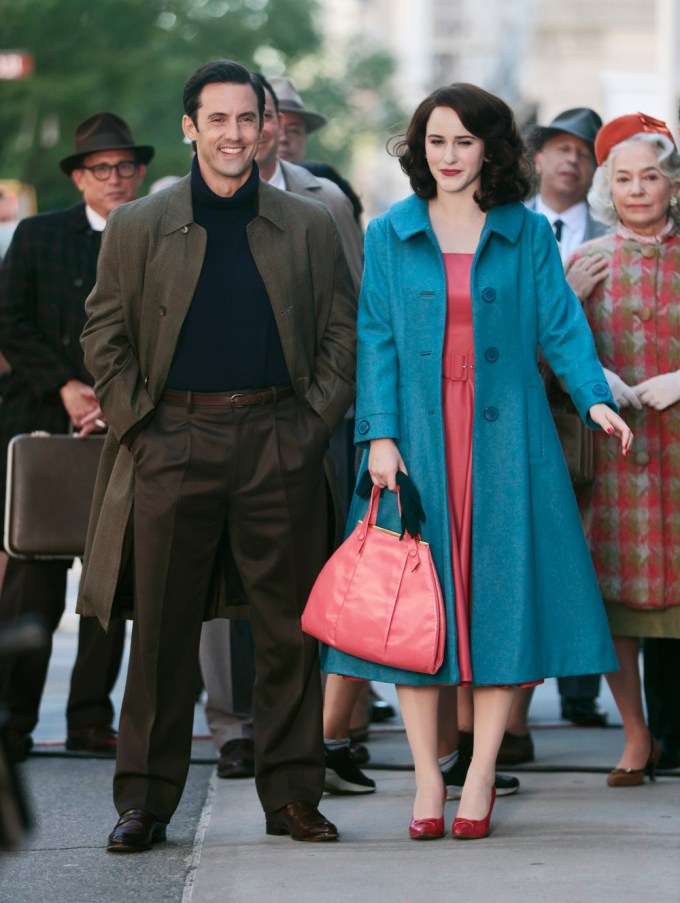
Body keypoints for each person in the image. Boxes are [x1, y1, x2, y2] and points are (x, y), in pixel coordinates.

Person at [321, 82, 631, 841]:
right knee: (414, 612)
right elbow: (377, 341)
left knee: (500, 606)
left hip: (508, 440)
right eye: (435, 141)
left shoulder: (525, 233)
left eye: (463, 140)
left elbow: (560, 324)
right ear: (419, 150)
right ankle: (429, 774)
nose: (449, 155)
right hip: (418, 442)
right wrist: (381, 437)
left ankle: (481, 771)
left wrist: (594, 396)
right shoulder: (392, 231)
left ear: (491, 147)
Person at [77, 60, 356, 852]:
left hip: (279, 437)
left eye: (250, 119)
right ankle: (145, 801)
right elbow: (103, 331)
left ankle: (295, 794)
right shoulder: (139, 225)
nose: (237, 134)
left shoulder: (307, 224)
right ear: (191, 128)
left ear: (268, 126)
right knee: (163, 632)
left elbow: (343, 329)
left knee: (289, 631)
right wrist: (142, 424)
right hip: (173, 441)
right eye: (220, 119)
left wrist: (309, 426)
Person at [197, 71, 366, 789]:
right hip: (209, 424)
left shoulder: (327, 201)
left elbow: (350, 317)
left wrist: (321, 417)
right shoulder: (176, 206)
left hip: (308, 425)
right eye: (232, 117)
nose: (254, 130)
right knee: (218, 583)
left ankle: (325, 731)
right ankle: (235, 728)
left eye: (267, 118)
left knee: (316, 578)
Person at [0, 113, 153, 762]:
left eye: (124, 167)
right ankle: (12, 719)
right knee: (32, 575)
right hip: (41, 423)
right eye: (100, 169)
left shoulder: (154, 235)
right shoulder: (39, 236)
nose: (114, 179)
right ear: (78, 177)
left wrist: (120, 402)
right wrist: (65, 384)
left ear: (139, 171)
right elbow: (9, 317)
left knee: (110, 578)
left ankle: (92, 717)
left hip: (126, 429)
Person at [565, 112, 680, 786]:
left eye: (651, 176)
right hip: (620, 453)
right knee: (618, 603)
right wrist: (594, 374)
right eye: (624, 178)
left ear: (671, 183)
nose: (638, 189)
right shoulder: (585, 259)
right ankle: (636, 735)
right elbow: (548, 355)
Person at [498, 109, 612, 762]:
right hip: (514, 414)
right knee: (521, 559)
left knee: (576, 552)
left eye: (585, 153)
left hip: (588, 414)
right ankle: (507, 722)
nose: (572, 161)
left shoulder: (613, 232)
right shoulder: (511, 224)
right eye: (560, 149)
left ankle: (577, 690)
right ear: (536, 158)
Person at [268, 76, 327, 164]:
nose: (283, 138)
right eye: (275, 127)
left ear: (305, 138)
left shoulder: (318, 177)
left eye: (293, 130)